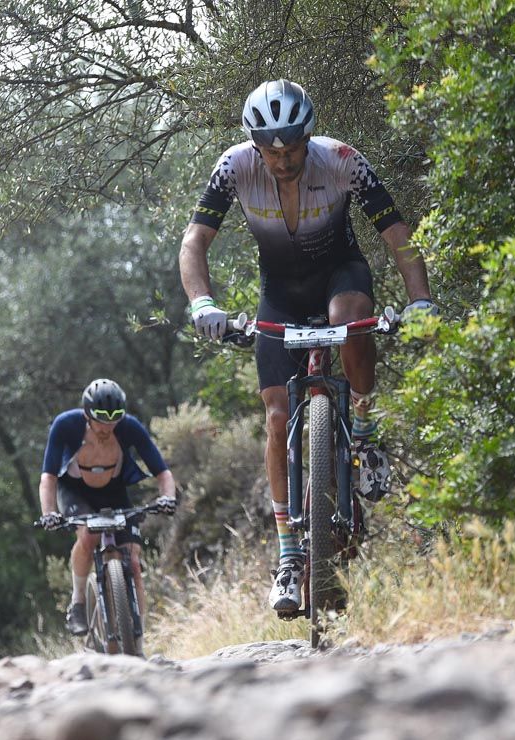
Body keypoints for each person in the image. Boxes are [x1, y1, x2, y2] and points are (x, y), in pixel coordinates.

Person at [178, 79, 437, 612]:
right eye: (270, 149)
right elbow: (194, 240)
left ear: (307, 137)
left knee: (352, 317)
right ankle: (290, 556)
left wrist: (420, 300)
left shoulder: (342, 160)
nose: (282, 158)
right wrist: (203, 303)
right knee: (276, 420)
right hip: (281, 297)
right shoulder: (234, 167)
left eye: (291, 146)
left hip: (340, 276)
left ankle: (362, 433)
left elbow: (396, 234)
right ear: (254, 145)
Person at [37, 378, 177, 636]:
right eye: (101, 419)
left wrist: (167, 498)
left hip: (113, 492)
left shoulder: (129, 427)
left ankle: (138, 636)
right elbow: (49, 477)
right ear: (87, 414)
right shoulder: (66, 425)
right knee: (88, 535)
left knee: (133, 562)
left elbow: (163, 473)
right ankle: (78, 603)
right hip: (75, 490)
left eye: (114, 419)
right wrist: (49, 514)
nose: (107, 426)